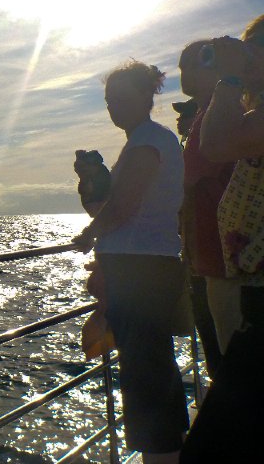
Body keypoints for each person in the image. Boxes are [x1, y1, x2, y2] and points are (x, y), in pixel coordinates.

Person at [73, 60, 188, 464]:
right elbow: (116, 208)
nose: (113, 106)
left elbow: (123, 207)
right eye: (108, 100)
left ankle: (161, 455)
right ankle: (168, 451)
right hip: (143, 267)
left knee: (145, 372)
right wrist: (90, 184)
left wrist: (89, 235)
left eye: (121, 97)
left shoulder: (148, 142)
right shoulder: (147, 140)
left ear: (146, 96)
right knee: (150, 366)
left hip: (141, 273)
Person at [180, 16, 264, 463]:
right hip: (238, 273)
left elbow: (214, 148)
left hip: (246, 281)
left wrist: (230, 75)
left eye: (256, 46)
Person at [177, 43, 241, 382]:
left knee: (230, 370)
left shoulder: (219, 117)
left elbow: (187, 184)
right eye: (182, 65)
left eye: (197, 63)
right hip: (204, 260)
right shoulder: (202, 119)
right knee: (220, 365)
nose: (185, 71)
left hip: (222, 263)